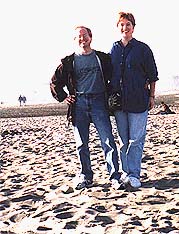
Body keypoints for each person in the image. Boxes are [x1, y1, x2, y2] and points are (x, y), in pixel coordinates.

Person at [50, 26, 122, 190]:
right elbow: (54, 82)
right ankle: (85, 176)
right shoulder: (69, 62)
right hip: (79, 104)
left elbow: (115, 77)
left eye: (85, 35)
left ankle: (114, 177)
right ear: (75, 40)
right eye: (78, 37)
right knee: (81, 144)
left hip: (99, 102)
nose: (82, 39)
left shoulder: (102, 58)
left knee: (108, 141)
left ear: (91, 37)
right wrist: (64, 97)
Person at [109, 11, 158, 190]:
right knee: (123, 140)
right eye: (122, 24)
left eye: (128, 24)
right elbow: (108, 75)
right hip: (120, 103)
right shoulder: (114, 49)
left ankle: (135, 174)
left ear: (133, 27)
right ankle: (125, 172)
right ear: (118, 27)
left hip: (138, 100)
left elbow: (153, 75)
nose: (125, 28)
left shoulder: (143, 49)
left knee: (136, 139)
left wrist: (152, 96)